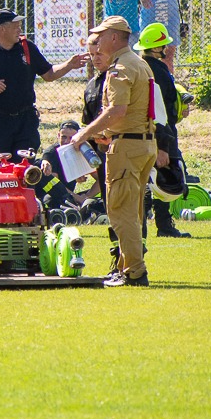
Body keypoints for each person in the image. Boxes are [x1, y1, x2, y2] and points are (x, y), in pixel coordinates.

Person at [69, 15, 155, 287]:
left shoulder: (120, 67)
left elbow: (117, 110)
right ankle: (123, 268)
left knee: (120, 212)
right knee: (132, 211)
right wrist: (108, 133)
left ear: (114, 37)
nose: (97, 41)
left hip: (127, 148)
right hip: (142, 144)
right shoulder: (139, 63)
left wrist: (85, 133)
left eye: (101, 36)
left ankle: (135, 272)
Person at [0, 9, 86, 157]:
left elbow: (49, 74)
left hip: (25, 120)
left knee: (26, 167)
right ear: (2, 29)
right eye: (15, 26)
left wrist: (69, 65)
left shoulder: (27, 47)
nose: (19, 30)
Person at [137, 22, 190, 238]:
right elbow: (160, 109)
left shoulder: (142, 67)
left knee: (146, 179)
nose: (166, 49)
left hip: (149, 131)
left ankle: (143, 226)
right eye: (163, 45)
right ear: (156, 47)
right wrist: (163, 145)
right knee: (164, 177)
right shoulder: (157, 70)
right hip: (162, 132)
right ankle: (164, 225)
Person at [35, 120, 104, 222]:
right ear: (58, 136)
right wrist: (77, 198)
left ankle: (86, 210)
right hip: (53, 195)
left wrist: (86, 196)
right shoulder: (52, 153)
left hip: (72, 196)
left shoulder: (82, 151)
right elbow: (57, 187)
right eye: (63, 137)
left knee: (102, 195)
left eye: (71, 138)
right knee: (51, 199)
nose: (67, 141)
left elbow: (101, 179)